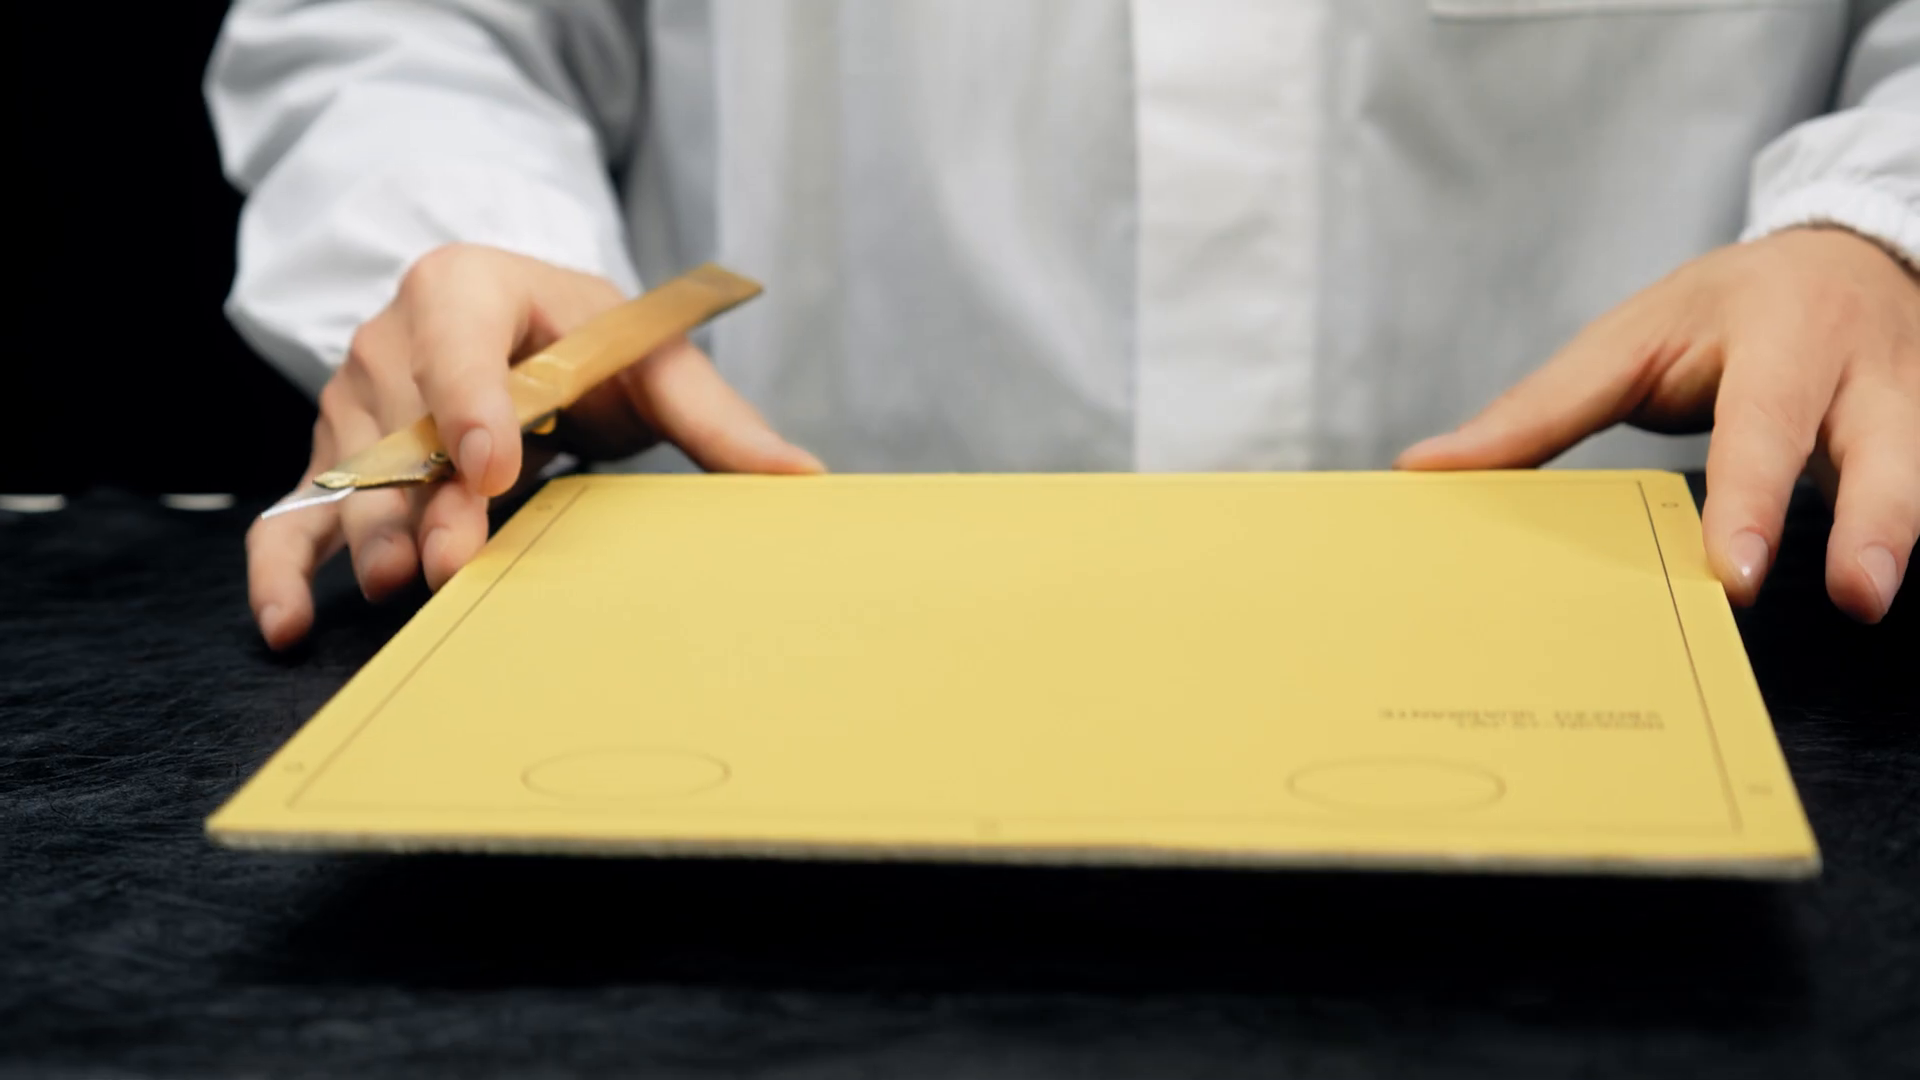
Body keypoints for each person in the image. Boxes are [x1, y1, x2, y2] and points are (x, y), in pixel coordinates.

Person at [206, 0, 1919, 650]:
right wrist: (471, 248)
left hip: (1702, 653)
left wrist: (1881, 229)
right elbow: (415, 29)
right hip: (731, 708)